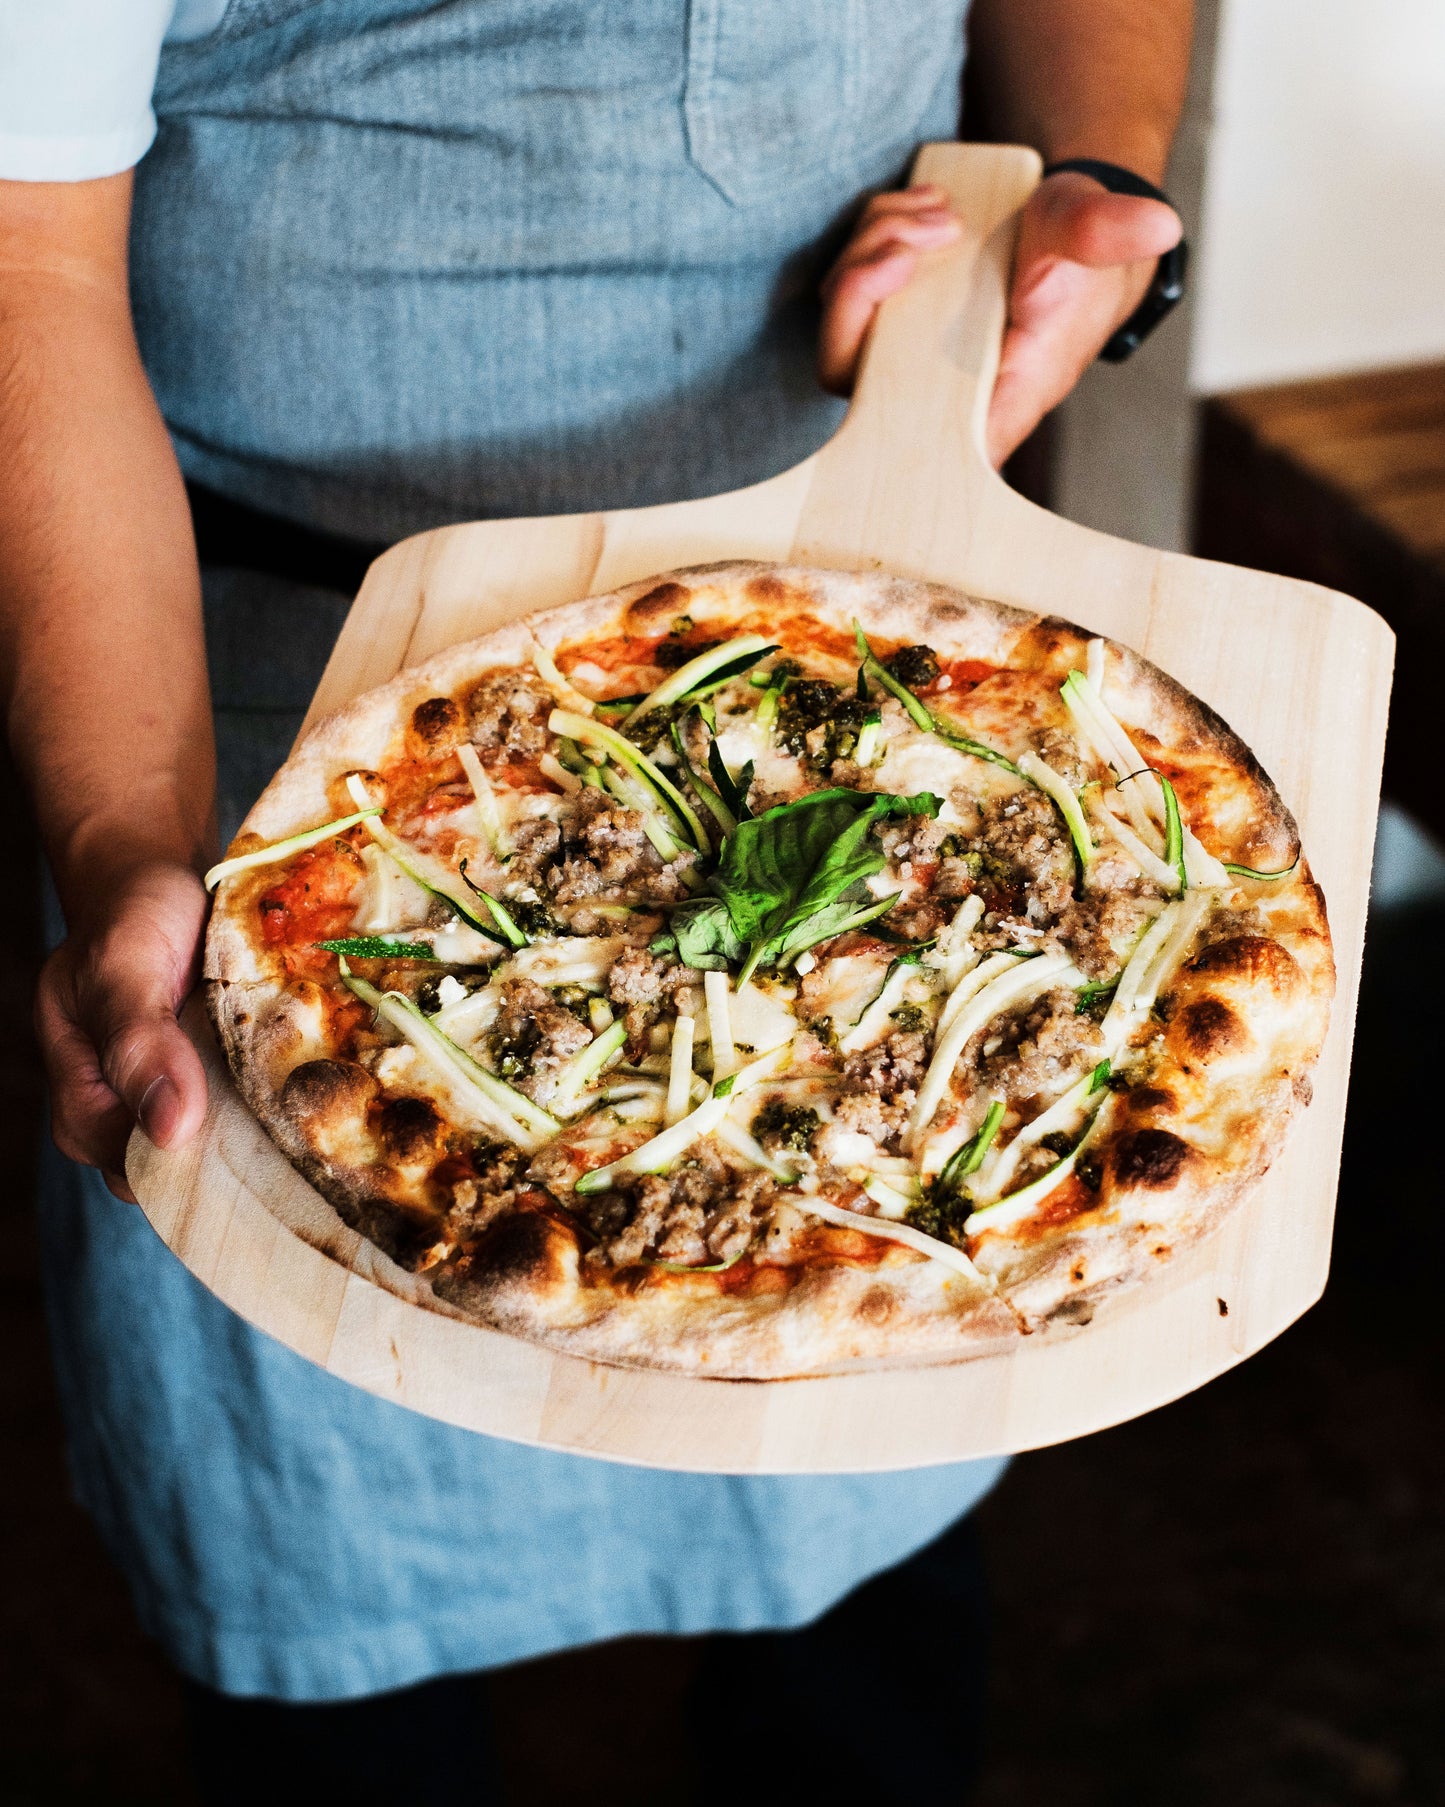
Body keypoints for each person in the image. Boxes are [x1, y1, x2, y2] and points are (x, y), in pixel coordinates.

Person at [0, 0, 1191, 1796]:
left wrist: (1097, 174)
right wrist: (121, 842)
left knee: (861, 1653)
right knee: (337, 1691)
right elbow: (29, 268)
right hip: (268, 724)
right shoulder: (283, 882)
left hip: (877, 685)